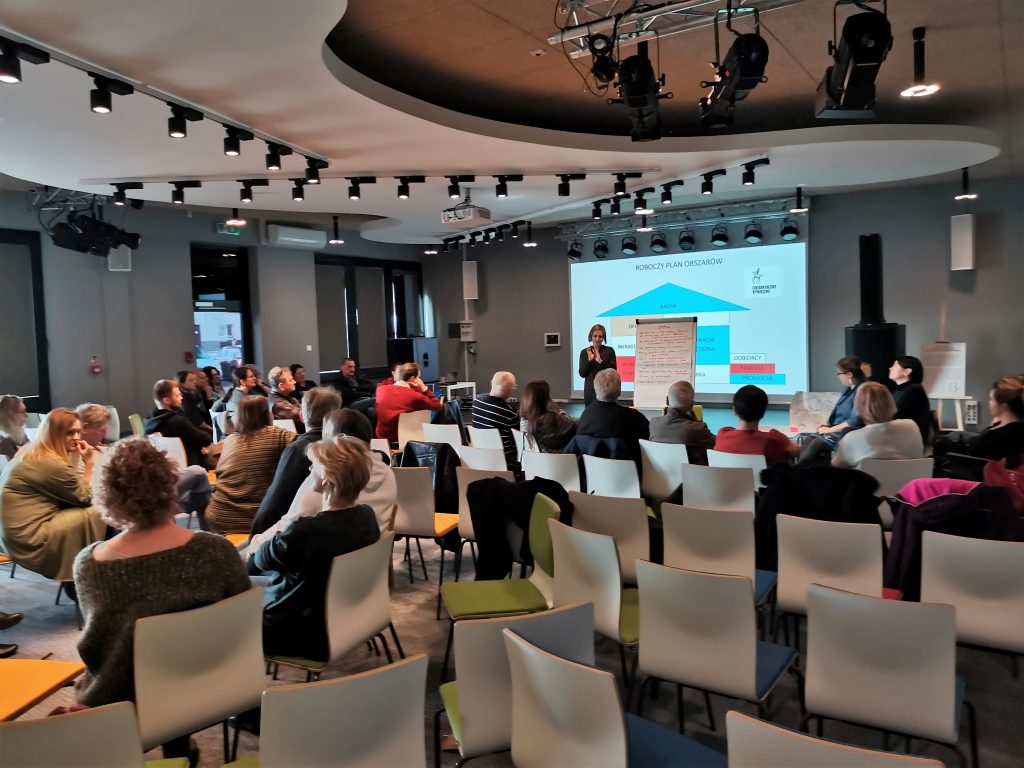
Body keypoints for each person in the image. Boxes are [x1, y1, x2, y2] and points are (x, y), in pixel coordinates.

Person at [73, 438, 249, 764]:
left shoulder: (89, 564)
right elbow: (242, 625)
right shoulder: (216, 551)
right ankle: (177, 745)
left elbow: (99, 644)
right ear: (170, 484)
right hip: (209, 684)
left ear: (106, 494)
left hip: (122, 701)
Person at [252, 437, 380, 662]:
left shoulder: (306, 530)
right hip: (343, 618)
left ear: (328, 478)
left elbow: (259, 560)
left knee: (229, 597)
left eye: (314, 465)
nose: (309, 469)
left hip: (293, 631)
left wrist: (284, 531)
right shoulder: (367, 517)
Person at [247, 408, 396, 561]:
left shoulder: (329, 477)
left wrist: (256, 543)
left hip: (321, 566)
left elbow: (290, 525)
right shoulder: (388, 473)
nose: (312, 467)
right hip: (369, 564)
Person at [0, 408, 106, 581]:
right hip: (30, 538)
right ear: (54, 434)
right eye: (69, 433)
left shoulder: (34, 451)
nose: (76, 437)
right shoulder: (50, 462)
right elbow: (86, 497)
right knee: (102, 509)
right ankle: (92, 572)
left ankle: (90, 571)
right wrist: (89, 463)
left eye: (78, 432)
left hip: (11, 534)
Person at [249, 387, 342, 540]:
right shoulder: (344, 448)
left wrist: (256, 539)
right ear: (336, 415)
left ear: (301, 416)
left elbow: (275, 502)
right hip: (333, 535)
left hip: (295, 537)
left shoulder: (298, 451)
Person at [206, 396, 295, 533]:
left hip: (218, 514)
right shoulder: (278, 435)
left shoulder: (229, 440)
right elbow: (306, 446)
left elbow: (213, 460)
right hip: (254, 518)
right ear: (266, 414)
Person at [934, 375, 1024, 464]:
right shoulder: (1008, 424)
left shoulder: (1005, 434)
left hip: (971, 462)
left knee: (940, 443)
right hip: (974, 448)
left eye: (991, 399)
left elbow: (974, 453)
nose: (989, 402)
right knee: (949, 437)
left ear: (1004, 406)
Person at [832, 382, 924, 468]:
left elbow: (836, 466)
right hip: (912, 480)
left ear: (858, 407)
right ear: (891, 402)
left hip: (870, 480)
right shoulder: (912, 426)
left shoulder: (851, 439)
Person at [716, 385, 799, 466]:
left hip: (726, 476)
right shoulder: (774, 439)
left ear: (734, 409)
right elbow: (799, 452)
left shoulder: (722, 435)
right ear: (764, 412)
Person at [575, 369, 649, 460]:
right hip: (626, 468)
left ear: (595, 388)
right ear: (619, 389)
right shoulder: (635, 418)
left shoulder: (585, 415)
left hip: (590, 468)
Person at [144, 379, 213, 467]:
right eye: (177, 395)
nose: (181, 397)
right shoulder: (176, 421)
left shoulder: (150, 419)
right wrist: (200, 445)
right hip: (190, 465)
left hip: (166, 466)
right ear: (166, 400)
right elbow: (205, 440)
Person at [648, 380, 716, 465]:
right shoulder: (698, 429)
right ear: (692, 405)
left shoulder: (653, 424)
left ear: (667, 400)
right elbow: (719, 445)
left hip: (661, 473)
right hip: (691, 473)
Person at [374, 363, 441, 443]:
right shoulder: (415, 396)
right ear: (412, 378)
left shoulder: (380, 389)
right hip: (403, 441)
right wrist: (423, 388)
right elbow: (437, 406)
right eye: (418, 377)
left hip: (381, 440)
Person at [472, 371, 521, 471]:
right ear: (510, 391)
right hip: (507, 465)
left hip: (480, 459)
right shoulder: (511, 413)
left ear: (491, 383)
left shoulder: (477, 401)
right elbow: (518, 441)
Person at [818, 356, 868, 441]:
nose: (838, 376)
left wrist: (829, 430)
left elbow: (855, 421)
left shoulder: (863, 391)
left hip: (849, 434)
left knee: (816, 444)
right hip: (836, 430)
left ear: (849, 375)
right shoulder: (847, 389)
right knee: (810, 440)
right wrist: (828, 425)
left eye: (839, 373)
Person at [519, 379, 576, 453]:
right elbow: (576, 426)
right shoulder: (553, 419)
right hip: (563, 459)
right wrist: (561, 414)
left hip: (534, 459)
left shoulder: (524, 421)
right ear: (545, 397)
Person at [889, 356, 932, 444]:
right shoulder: (902, 389)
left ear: (907, 371)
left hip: (908, 440)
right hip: (902, 435)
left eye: (895, 366)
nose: (890, 368)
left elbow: (896, 416)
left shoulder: (914, 391)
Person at [578, 323, 617, 406]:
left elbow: (613, 371)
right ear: (591, 337)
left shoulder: (609, 351)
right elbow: (582, 373)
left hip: (606, 389)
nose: (597, 339)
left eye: (600, 337)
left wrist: (599, 361)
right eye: (595, 336)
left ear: (603, 338)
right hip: (590, 390)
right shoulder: (585, 352)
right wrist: (590, 361)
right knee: (591, 412)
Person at [267, 365, 304, 431]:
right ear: (281, 386)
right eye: (290, 380)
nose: (294, 382)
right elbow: (305, 417)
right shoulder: (279, 405)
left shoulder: (289, 398)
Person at [0, 395, 30, 460]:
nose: (26, 415)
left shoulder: (22, 436)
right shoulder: (2, 444)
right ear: (9, 415)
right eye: (22, 412)